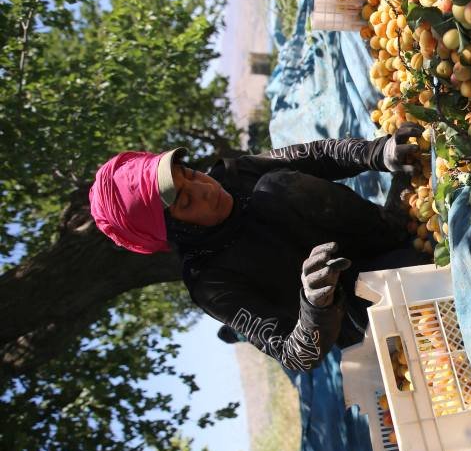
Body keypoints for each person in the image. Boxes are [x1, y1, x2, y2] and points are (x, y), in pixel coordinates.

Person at [88, 125, 425, 372]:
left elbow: (316, 156)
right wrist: (315, 303)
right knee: (423, 274)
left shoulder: (234, 175)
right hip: (365, 311)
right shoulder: (211, 283)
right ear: (179, 231)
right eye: (187, 201)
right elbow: (295, 355)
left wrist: (376, 152)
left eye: (189, 173)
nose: (204, 187)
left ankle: (396, 225)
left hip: (380, 239)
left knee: (275, 185)